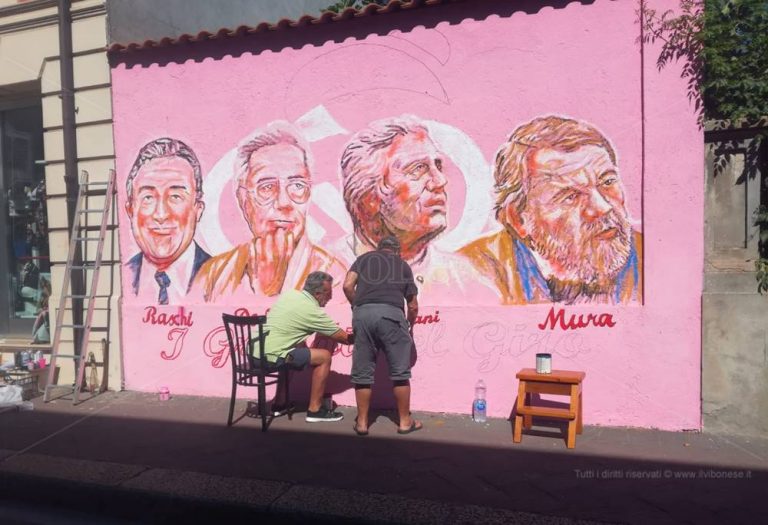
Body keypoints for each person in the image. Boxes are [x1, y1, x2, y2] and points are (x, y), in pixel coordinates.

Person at [459, 115, 642, 304]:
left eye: (607, 182)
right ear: (518, 219)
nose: (602, 207)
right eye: (570, 196)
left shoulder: (650, 259)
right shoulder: (467, 273)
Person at [194, 122, 346, 302]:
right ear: (244, 199)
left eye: (297, 186)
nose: (284, 202)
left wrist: (269, 293)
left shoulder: (333, 276)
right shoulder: (213, 274)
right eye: (266, 187)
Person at [343, 236, 421, 436]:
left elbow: (347, 285)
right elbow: (412, 305)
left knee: (363, 372)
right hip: (391, 315)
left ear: (379, 249)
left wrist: (357, 305)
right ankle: (405, 422)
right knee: (400, 373)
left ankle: (361, 423)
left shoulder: (363, 259)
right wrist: (409, 325)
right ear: (396, 251)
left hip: (362, 315)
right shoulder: (402, 265)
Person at [125, 138, 210, 305]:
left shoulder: (223, 278)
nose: (161, 214)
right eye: (148, 197)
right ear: (131, 210)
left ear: (197, 209)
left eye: (176, 197)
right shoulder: (123, 274)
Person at [263, 271, 354, 422]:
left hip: (256, 352)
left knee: (293, 351)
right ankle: (315, 410)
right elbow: (344, 338)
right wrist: (366, 334)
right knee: (324, 356)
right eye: (329, 293)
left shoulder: (289, 295)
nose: (331, 297)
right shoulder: (312, 311)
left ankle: (279, 404)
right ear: (318, 294)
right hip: (272, 357)